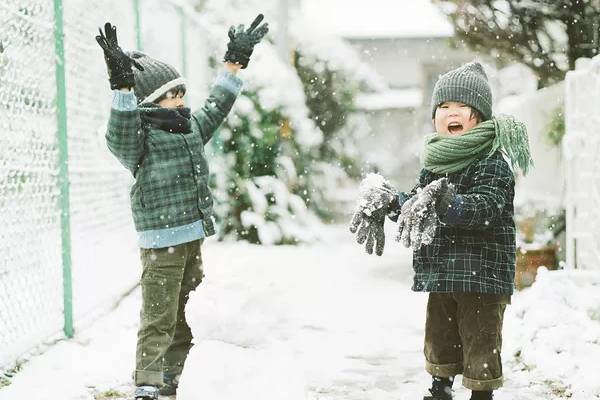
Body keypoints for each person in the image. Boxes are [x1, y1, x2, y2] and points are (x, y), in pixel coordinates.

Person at [95, 15, 269, 400]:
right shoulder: (139, 139)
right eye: (171, 95)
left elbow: (217, 105)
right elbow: (119, 131)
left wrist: (233, 65)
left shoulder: (189, 126)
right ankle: (147, 380)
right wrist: (122, 86)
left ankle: (176, 374)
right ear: (149, 102)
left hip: (191, 236)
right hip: (161, 242)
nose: (181, 101)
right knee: (159, 315)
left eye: (181, 93)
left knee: (187, 309)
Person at [350, 61, 533, 400]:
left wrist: (449, 203)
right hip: (443, 272)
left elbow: (484, 207)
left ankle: (481, 395)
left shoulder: (491, 161)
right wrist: (392, 201)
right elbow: (418, 205)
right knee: (440, 342)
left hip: (482, 277)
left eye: (463, 107)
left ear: (478, 115)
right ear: (435, 117)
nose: (453, 112)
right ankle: (440, 391)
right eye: (445, 107)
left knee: (481, 345)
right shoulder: (435, 163)